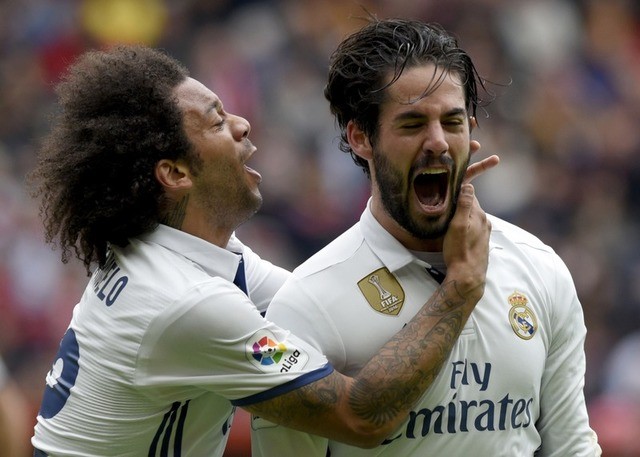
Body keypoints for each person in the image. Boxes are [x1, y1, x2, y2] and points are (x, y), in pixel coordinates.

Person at [27, 44, 497, 456]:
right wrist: (460, 287)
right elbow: (360, 417)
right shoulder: (184, 301)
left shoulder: (195, 254)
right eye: (217, 121)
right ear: (174, 173)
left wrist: (416, 201)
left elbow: (324, 309)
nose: (241, 123)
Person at [251, 18, 601, 456]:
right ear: (360, 137)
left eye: (452, 122)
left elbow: (572, 446)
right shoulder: (308, 303)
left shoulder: (539, 267)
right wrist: (461, 287)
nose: (437, 142)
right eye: (412, 123)